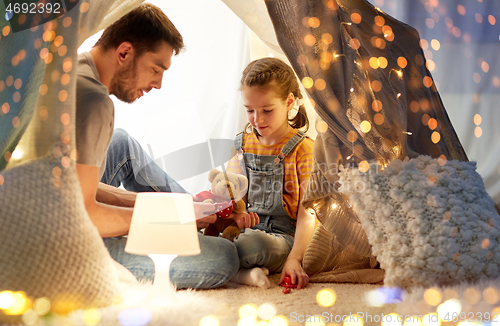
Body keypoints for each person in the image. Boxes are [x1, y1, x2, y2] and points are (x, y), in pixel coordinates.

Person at [75, 3, 257, 289]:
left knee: (120, 142)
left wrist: (179, 209)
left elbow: (75, 186)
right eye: (155, 69)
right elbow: (82, 214)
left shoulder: (75, 70)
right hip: (66, 242)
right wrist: (166, 222)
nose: (158, 83)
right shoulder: (94, 102)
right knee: (224, 257)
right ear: (124, 52)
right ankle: (192, 226)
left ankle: (196, 211)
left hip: (49, 205)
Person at [226, 57, 315, 289]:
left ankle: (235, 271)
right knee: (203, 238)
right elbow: (233, 201)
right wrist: (237, 216)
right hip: (244, 229)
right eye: (250, 110)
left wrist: (295, 259)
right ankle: (243, 274)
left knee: (251, 246)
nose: (258, 119)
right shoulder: (241, 145)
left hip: (283, 238)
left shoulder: (304, 149)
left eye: (267, 110)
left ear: (288, 101)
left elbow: (308, 215)